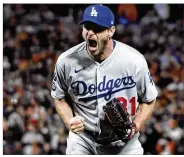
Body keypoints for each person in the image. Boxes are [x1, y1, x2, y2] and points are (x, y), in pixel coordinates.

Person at [51, 4, 158, 155]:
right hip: (83, 140)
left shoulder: (133, 60)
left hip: (124, 143)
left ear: (111, 31)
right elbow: (59, 98)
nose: (90, 33)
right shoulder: (66, 61)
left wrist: (135, 126)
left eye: (98, 28)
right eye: (87, 27)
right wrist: (69, 119)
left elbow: (149, 99)